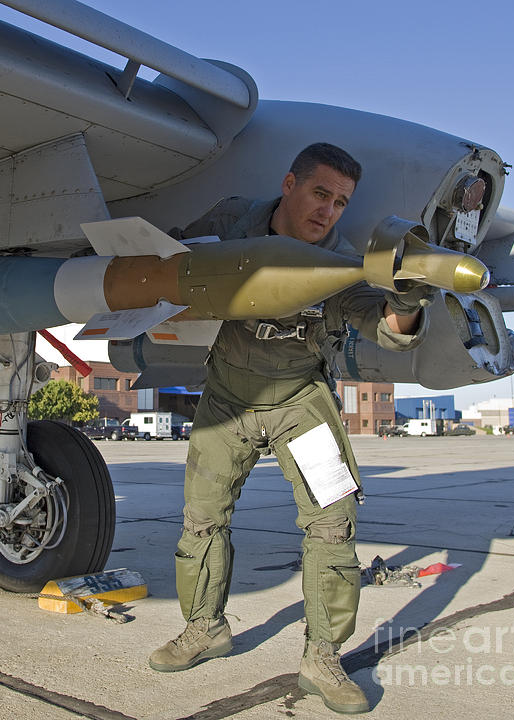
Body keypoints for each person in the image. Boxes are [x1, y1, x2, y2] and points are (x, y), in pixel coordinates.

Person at [148, 143, 434, 715]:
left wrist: (409, 294)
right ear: (289, 183)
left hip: (301, 401)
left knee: (333, 525)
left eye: (341, 202)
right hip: (228, 399)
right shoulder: (232, 221)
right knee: (201, 521)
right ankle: (205, 629)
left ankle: (322, 657)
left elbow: (386, 327)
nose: (328, 211)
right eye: (320, 193)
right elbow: (175, 260)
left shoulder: (342, 263)